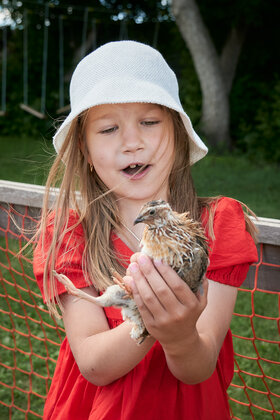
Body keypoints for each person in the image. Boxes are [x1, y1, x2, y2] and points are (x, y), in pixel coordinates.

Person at [33, 40, 258, 420]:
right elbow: (92, 363)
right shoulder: (71, 233)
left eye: (149, 122)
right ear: (86, 151)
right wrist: (150, 322)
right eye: (108, 129)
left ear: (177, 133)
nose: (132, 142)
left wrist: (180, 335)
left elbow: (198, 366)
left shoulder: (219, 226)